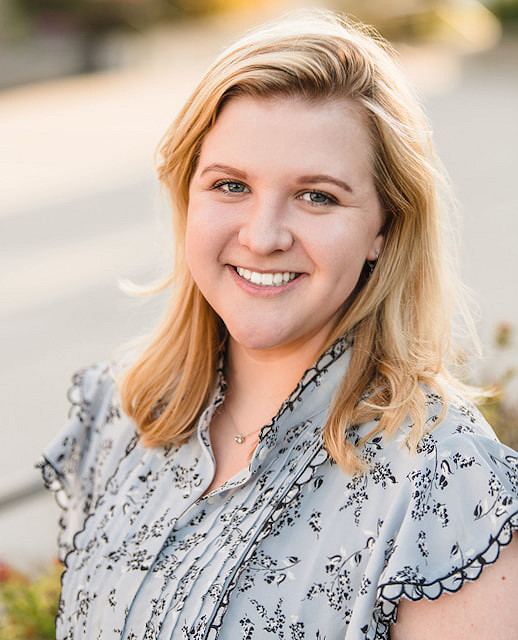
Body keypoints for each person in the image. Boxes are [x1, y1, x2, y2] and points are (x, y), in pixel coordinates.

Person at [37, 9, 518, 639]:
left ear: (384, 228)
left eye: (318, 195)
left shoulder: (446, 487)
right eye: (230, 185)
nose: (262, 237)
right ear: (189, 199)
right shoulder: (121, 415)